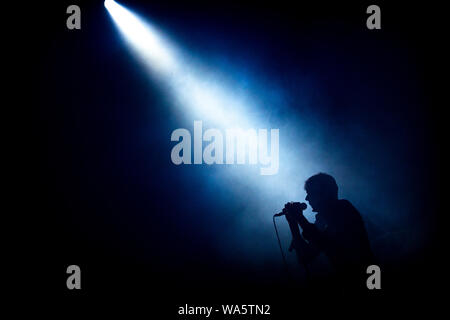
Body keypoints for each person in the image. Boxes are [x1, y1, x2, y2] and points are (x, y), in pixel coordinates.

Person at [283, 173, 375, 292]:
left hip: (369, 278)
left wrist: (299, 218)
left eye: (310, 193)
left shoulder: (343, 208)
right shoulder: (321, 220)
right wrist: (293, 223)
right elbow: (306, 257)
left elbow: (322, 241)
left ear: (323, 193)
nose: (306, 198)